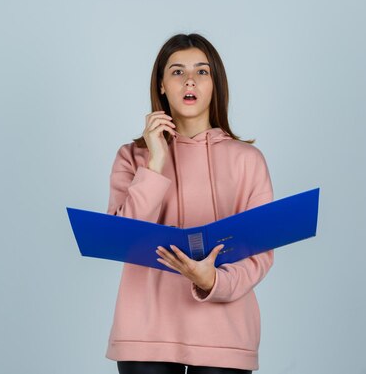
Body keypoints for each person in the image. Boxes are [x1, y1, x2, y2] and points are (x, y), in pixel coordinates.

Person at [106, 33, 274, 374]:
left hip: (224, 329)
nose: (190, 81)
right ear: (162, 85)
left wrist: (213, 281)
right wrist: (155, 162)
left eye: (202, 71)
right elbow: (119, 240)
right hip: (145, 330)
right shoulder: (132, 156)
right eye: (177, 72)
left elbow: (260, 253)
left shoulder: (248, 160)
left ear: (215, 84)